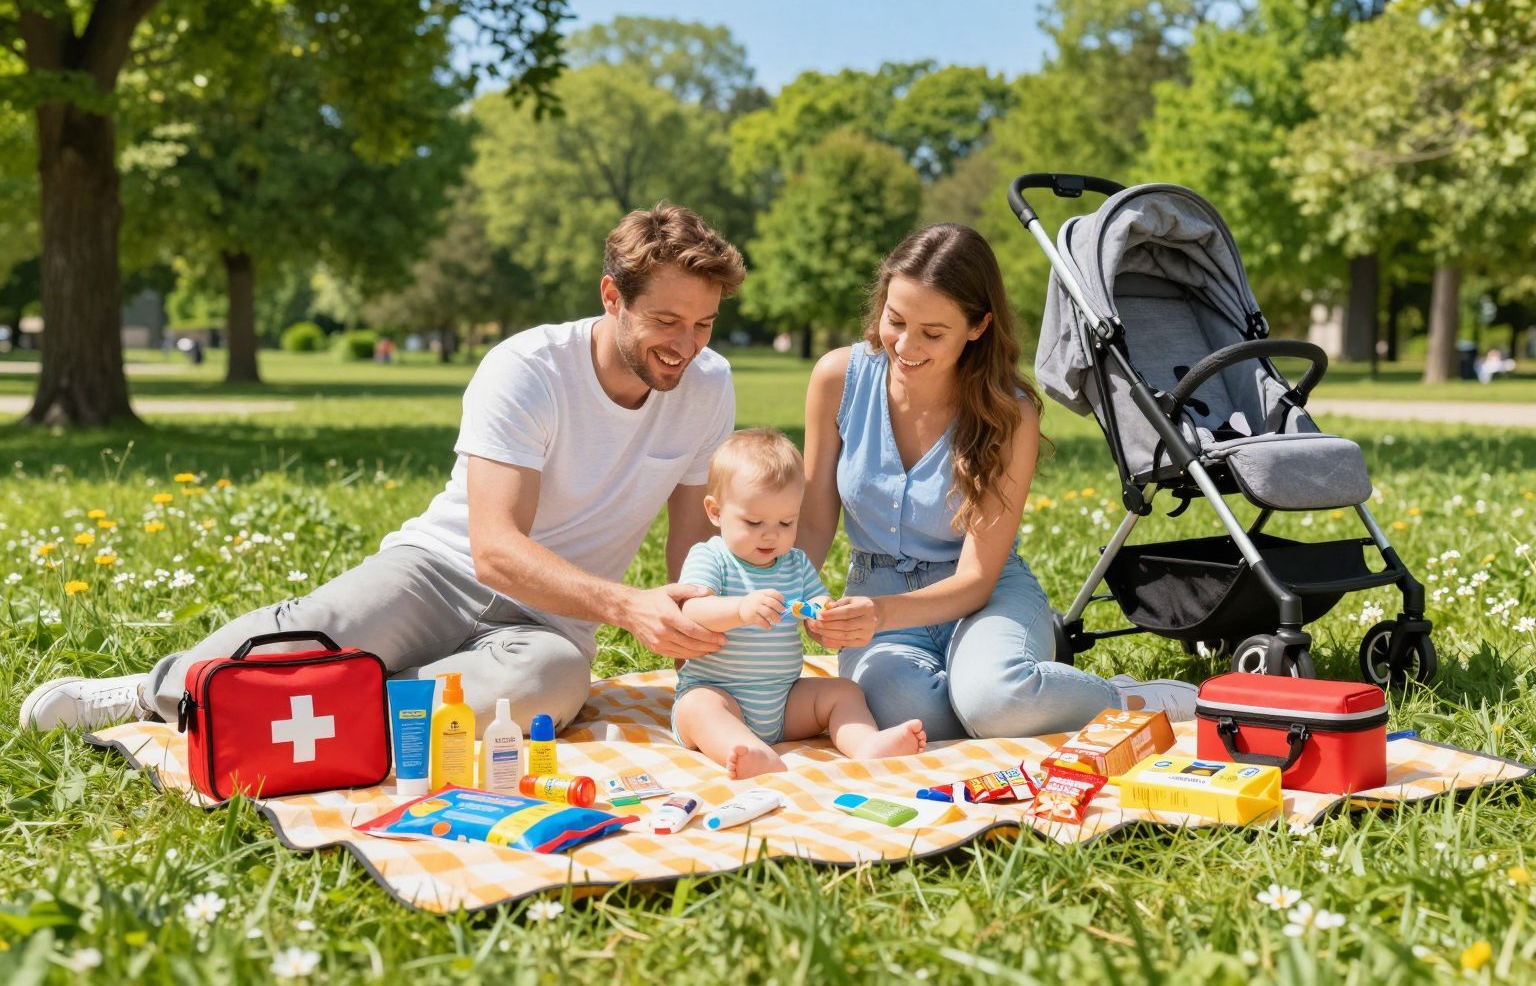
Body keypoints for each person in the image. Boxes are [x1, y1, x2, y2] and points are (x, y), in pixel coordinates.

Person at [22, 203, 747, 734]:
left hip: (552, 622)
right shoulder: (528, 368)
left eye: (704, 324)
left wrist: (699, 648)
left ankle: (332, 704)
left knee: (546, 686)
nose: (687, 345)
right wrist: (625, 606)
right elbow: (494, 551)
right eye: (667, 321)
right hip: (440, 570)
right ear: (612, 297)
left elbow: (693, 550)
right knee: (306, 634)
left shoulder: (707, 387)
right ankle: (157, 692)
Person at [799, 223, 1197, 741]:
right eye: (895, 320)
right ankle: (1021, 689)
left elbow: (977, 578)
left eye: (933, 333)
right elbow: (810, 522)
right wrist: (792, 598)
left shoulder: (1010, 412)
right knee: (914, 718)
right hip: (878, 593)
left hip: (982, 595)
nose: (905, 344)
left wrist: (879, 614)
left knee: (993, 703)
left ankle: (1124, 698)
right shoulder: (838, 378)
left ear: (977, 327)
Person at [672, 428, 927, 779]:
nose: (771, 534)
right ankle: (750, 752)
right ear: (715, 512)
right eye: (754, 522)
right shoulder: (711, 557)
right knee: (696, 708)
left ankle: (866, 743)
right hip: (722, 695)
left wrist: (822, 614)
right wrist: (740, 609)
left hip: (785, 700)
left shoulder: (795, 563)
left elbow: (815, 599)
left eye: (786, 522)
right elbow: (692, 611)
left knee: (843, 691)